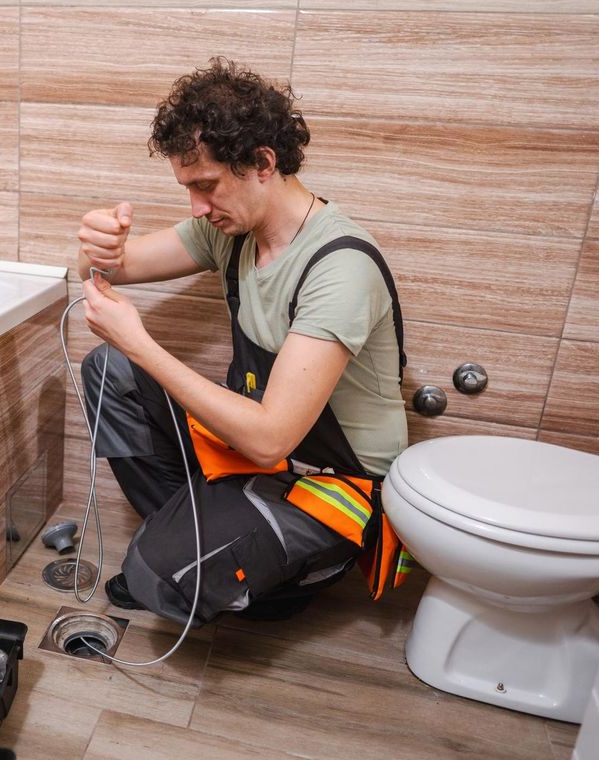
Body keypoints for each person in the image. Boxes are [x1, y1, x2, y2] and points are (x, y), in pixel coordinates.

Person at [77, 58, 409, 625]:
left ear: (262, 162)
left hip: (331, 484)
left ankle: (279, 583)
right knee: (108, 369)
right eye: (188, 189)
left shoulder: (340, 266)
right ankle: (204, 543)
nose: (197, 209)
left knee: (158, 577)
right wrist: (98, 243)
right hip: (261, 460)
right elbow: (114, 268)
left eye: (206, 186)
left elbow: (270, 436)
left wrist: (143, 344)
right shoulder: (230, 230)